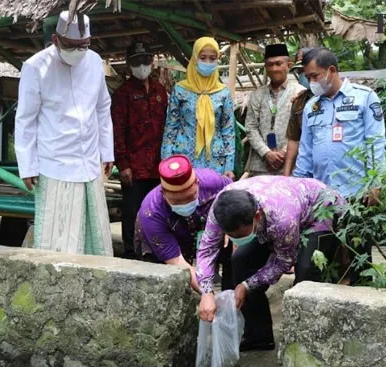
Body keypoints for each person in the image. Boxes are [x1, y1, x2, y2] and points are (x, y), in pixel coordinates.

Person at [195, 176, 344, 351]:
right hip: (279, 209)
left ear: (256, 217)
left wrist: (247, 285)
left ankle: (305, 345)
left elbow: (283, 261)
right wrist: (206, 292)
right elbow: (207, 249)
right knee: (241, 260)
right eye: (232, 236)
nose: (237, 240)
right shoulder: (220, 208)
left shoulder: (283, 220)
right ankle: (258, 336)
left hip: (319, 210)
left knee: (306, 274)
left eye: (241, 235)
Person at [14, 11, 114, 256]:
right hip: (54, 164)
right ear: (56, 40)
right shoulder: (35, 67)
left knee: (95, 237)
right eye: (71, 46)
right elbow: (25, 119)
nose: (78, 51)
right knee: (56, 240)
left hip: (89, 162)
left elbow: (102, 108)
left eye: (83, 46)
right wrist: (27, 166)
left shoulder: (93, 61)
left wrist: (107, 151)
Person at [292, 47, 386, 198]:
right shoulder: (311, 107)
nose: (311, 82)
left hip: (358, 193)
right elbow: (305, 152)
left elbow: (376, 143)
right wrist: (298, 187)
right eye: (308, 78)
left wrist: (376, 183)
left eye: (315, 76)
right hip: (321, 196)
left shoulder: (365, 97)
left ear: (332, 70)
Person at [134, 155, 233, 291]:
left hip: (200, 224)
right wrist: (208, 294)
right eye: (177, 201)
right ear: (163, 193)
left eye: (190, 197)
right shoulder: (151, 212)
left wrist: (228, 222)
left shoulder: (212, 181)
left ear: (197, 183)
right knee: (165, 283)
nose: (185, 204)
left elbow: (233, 192)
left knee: (233, 243)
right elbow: (176, 261)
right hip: (159, 237)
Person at [111, 41, 168, 259]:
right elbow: (118, 131)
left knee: (156, 210)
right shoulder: (123, 94)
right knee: (132, 211)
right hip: (133, 167)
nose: (142, 65)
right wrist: (123, 164)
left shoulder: (160, 91)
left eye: (145, 60)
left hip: (157, 166)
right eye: (137, 61)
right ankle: (130, 252)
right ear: (129, 64)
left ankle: (154, 250)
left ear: (152, 62)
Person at [161, 37, 236, 179]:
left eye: (212, 58)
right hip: (184, 159)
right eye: (203, 58)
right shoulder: (180, 90)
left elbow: (228, 130)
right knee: (185, 197)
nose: (208, 62)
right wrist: (166, 162)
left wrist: (229, 166)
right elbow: (171, 127)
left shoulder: (223, 93)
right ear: (195, 58)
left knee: (213, 199)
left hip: (216, 161)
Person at [244, 44, 304, 177]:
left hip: (290, 165)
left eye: (278, 63)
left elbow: (303, 129)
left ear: (289, 65)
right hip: (260, 165)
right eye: (270, 65)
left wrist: (283, 153)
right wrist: (266, 153)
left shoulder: (300, 92)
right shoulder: (257, 95)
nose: (274, 69)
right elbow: (250, 127)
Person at [283, 47, 314, 176]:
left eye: (305, 71)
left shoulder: (333, 98)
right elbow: (293, 140)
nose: (304, 76)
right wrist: (286, 175)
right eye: (301, 72)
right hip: (305, 170)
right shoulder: (299, 101)